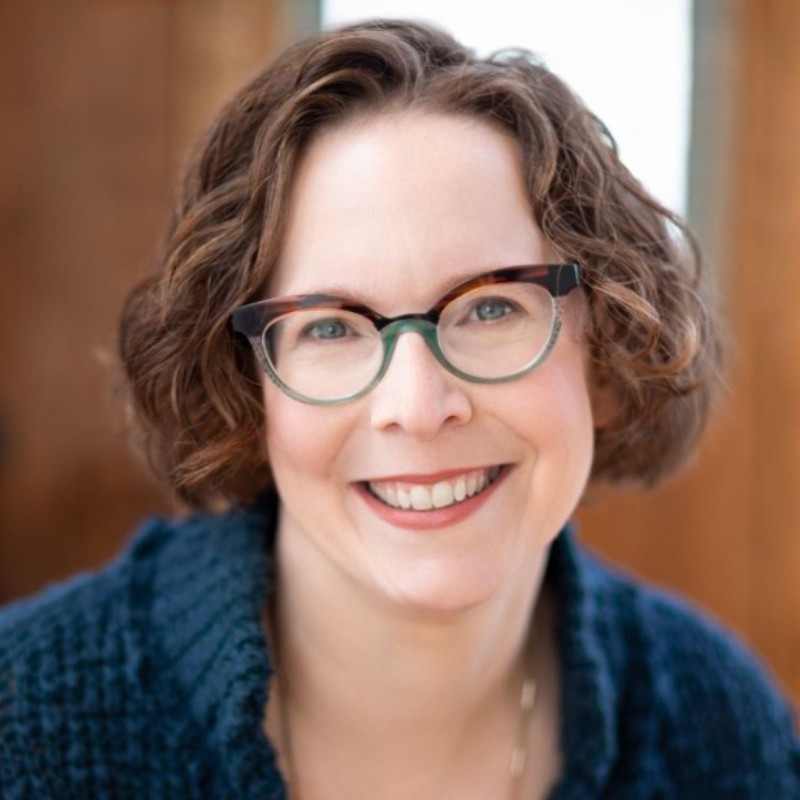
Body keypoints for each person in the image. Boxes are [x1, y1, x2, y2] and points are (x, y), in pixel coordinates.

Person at [0, 18, 798, 800]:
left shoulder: (719, 727)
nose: (417, 407)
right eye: (329, 327)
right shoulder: (26, 724)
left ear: (609, 344)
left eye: (490, 309)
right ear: (248, 387)